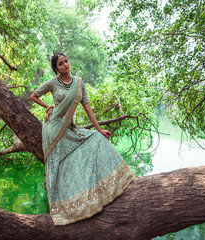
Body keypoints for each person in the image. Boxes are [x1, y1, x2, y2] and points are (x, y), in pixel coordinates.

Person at [30, 52, 134, 225]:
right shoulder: (53, 83)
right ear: (56, 69)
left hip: (69, 127)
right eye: (61, 64)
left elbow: (86, 106)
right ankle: (63, 206)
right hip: (53, 129)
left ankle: (100, 191)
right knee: (59, 165)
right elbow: (33, 96)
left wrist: (99, 128)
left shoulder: (79, 82)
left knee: (96, 139)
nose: (65, 64)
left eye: (66, 61)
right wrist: (48, 106)